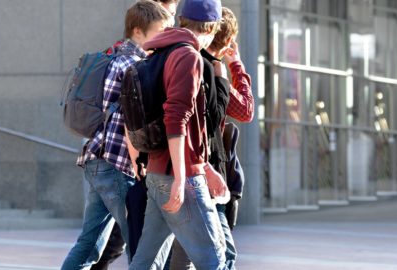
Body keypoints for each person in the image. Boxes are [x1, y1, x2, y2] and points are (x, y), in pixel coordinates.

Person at [60, 2, 170, 269]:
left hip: (100, 161)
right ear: (137, 31)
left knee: (89, 245)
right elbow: (126, 121)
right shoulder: (132, 65)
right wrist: (136, 164)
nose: (164, 38)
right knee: (143, 244)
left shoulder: (118, 57)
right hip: (117, 165)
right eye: (160, 32)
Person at [127, 0, 229, 269]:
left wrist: (205, 167)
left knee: (146, 261)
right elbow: (176, 118)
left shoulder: (160, 53)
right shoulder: (188, 56)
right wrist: (184, 177)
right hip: (179, 178)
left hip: (159, 172)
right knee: (214, 258)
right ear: (212, 27)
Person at [169, 7, 254, 270]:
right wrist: (235, 65)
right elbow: (245, 110)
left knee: (176, 255)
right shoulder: (210, 70)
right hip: (203, 172)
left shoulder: (180, 59)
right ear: (228, 41)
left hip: (179, 170)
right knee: (222, 255)